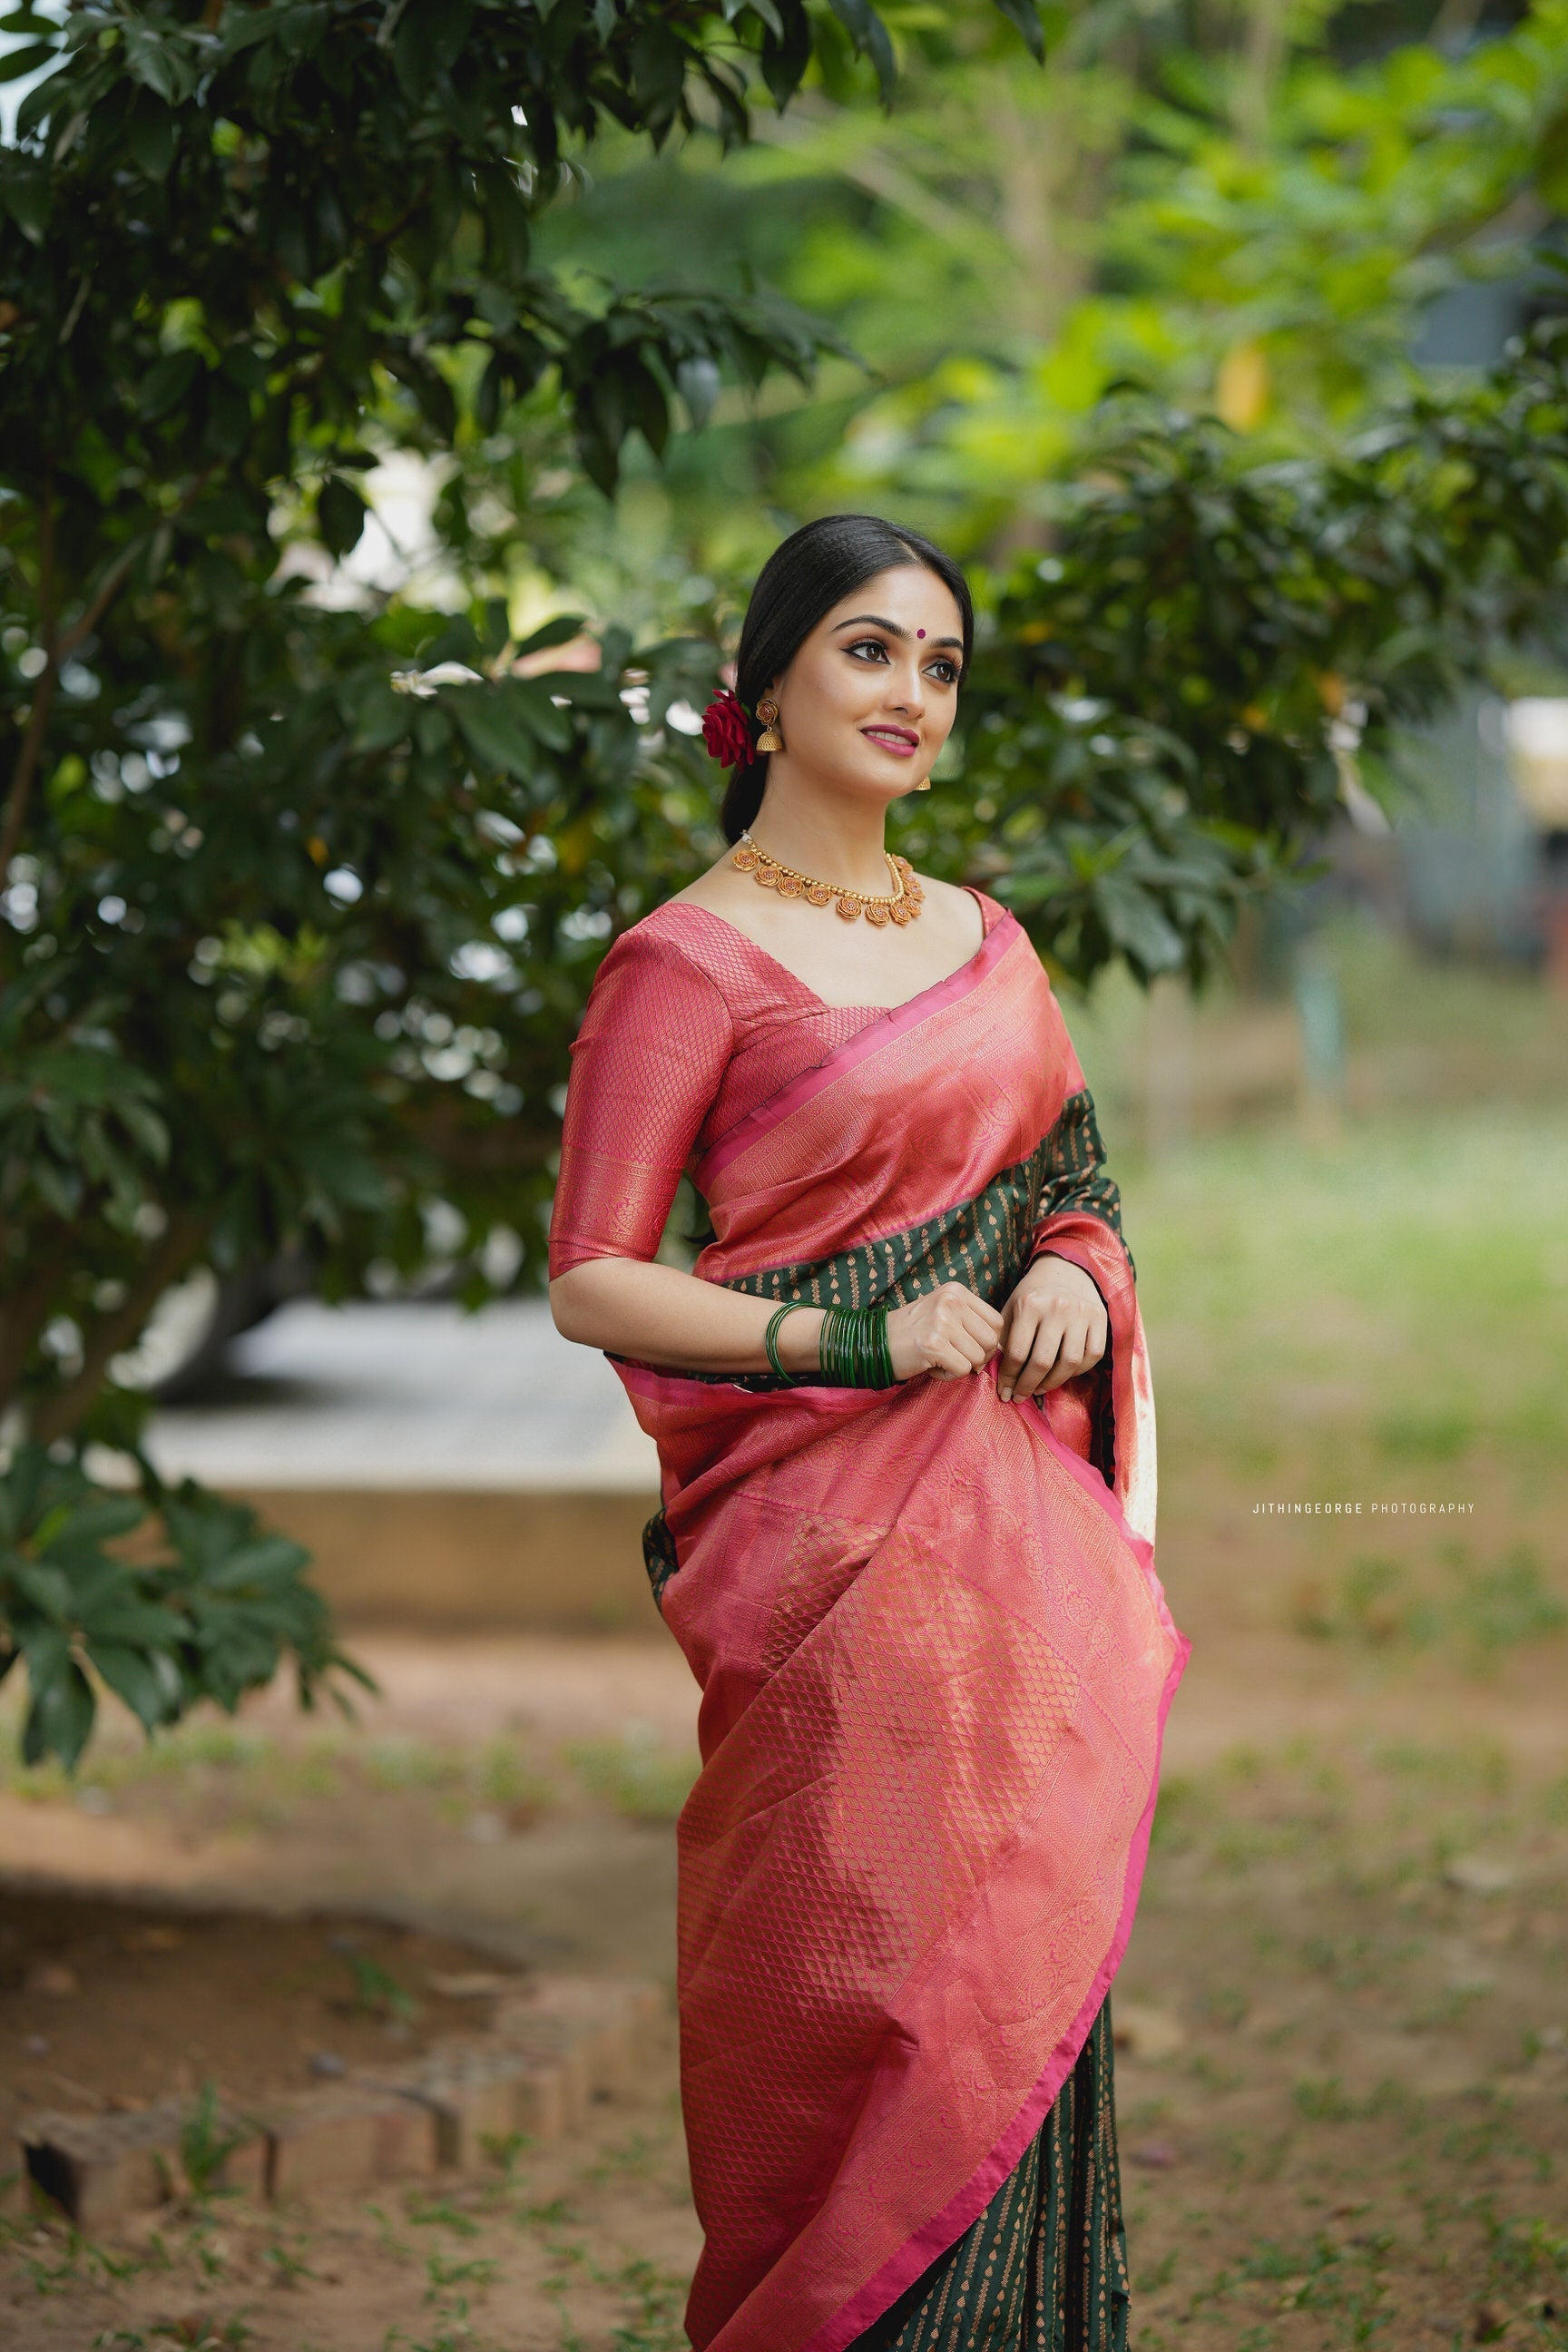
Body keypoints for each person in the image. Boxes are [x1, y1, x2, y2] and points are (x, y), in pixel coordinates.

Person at [548, 514, 1187, 2352]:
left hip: (1010, 1538)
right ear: (764, 683)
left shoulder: (991, 947)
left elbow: (1079, 1178)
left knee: (1016, 1963)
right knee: (859, 1985)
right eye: (870, 649)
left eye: (943, 665)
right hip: (816, 1556)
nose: (915, 692)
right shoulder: (683, 966)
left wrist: (1075, 1261)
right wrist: (851, 1330)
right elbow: (596, 1276)